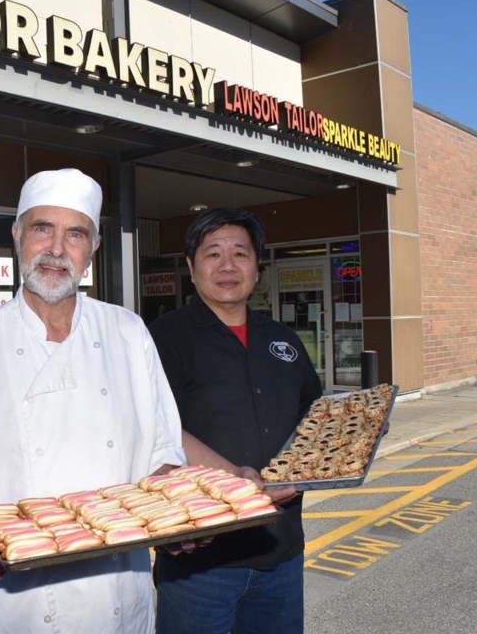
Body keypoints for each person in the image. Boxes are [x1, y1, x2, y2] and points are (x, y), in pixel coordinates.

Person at [0, 168, 187, 633]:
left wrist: (176, 515)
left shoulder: (128, 333)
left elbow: (164, 452)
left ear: (93, 249)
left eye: (75, 234)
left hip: (116, 600)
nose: (57, 249)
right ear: (17, 235)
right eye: (43, 228)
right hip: (11, 605)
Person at [148, 207, 323, 634]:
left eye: (240, 254)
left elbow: (314, 418)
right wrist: (231, 476)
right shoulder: (162, 338)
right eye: (213, 254)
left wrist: (361, 433)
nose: (228, 266)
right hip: (199, 561)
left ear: (258, 269)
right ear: (191, 267)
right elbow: (154, 427)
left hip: (281, 552)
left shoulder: (283, 339)